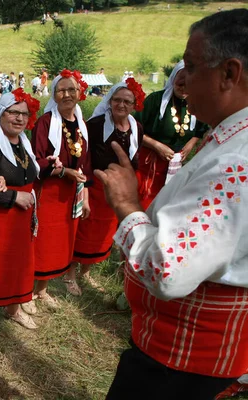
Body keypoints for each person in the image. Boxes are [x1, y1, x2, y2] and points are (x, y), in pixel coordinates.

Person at [98, 9, 248, 400]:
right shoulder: (230, 142)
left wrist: (128, 206)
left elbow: (169, 270)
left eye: (191, 65)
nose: (181, 79)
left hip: (180, 364)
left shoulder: (237, 162)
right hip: (183, 354)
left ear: (229, 74)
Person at [0, 88, 45, 339]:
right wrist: (13, 196)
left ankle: (13, 309)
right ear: (1, 114)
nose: (19, 118)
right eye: (13, 113)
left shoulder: (24, 142)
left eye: (24, 114)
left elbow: (29, 175)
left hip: (21, 219)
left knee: (19, 264)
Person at [70, 78, 145, 293]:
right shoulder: (94, 126)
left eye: (127, 102)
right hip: (95, 188)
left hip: (116, 192)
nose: (121, 105)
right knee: (85, 231)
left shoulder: (136, 128)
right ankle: (70, 275)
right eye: (117, 100)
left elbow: (135, 159)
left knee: (103, 235)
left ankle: (86, 273)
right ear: (110, 101)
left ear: (134, 105)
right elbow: (83, 158)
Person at [31, 69, 90, 305]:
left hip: (71, 193)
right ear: (54, 95)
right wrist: (64, 171)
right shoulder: (45, 123)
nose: (67, 94)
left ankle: (42, 289)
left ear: (79, 93)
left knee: (61, 240)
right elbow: (37, 160)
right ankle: (30, 291)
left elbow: (86, 162)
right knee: (43, 240)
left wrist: (85, 196)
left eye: (72, 89)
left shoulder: (81, 124)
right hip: (50, 191)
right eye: (61, 90)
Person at [134, 60, 209, 209]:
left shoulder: (195, 102)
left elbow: (201, 128)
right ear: (174, 79)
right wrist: (157, 145)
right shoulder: (156, 100)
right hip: (150, 164)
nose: (183, 89)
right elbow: (135, 130)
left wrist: (191, 143)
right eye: (180, 85)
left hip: (176, 164)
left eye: (188, 86)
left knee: (168, 203)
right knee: (145, 203)